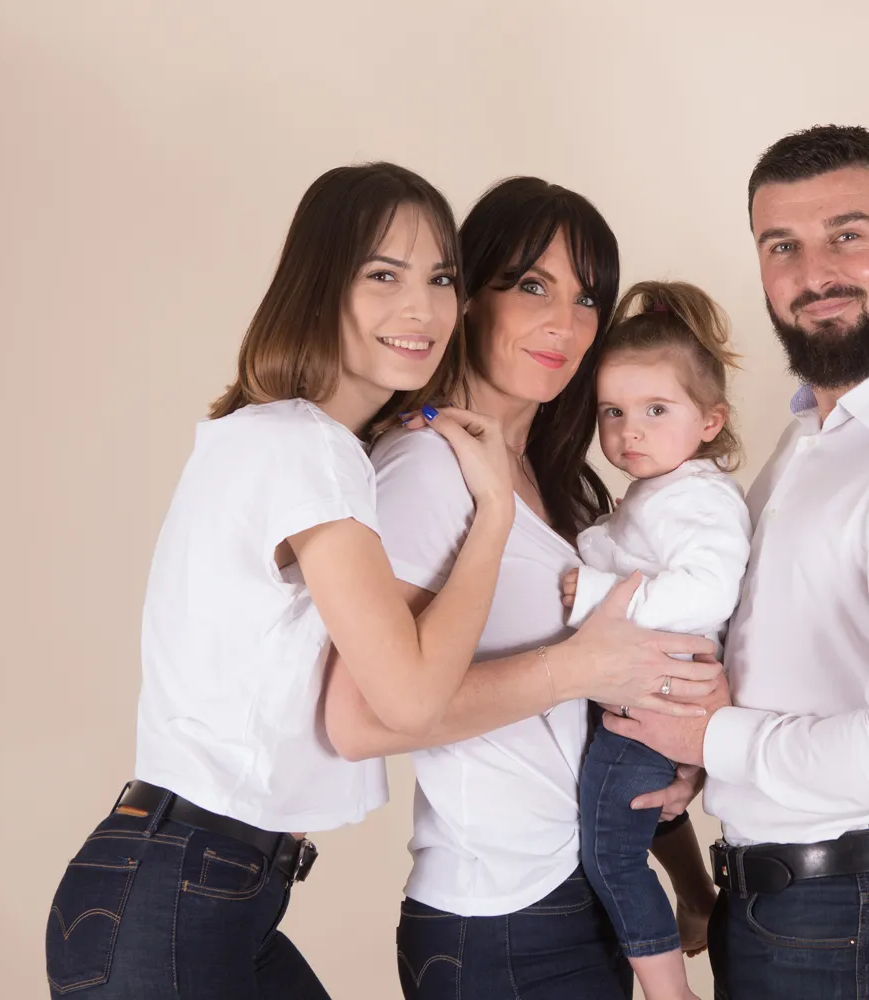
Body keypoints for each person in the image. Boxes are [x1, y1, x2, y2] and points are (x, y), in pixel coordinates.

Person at [44, 162, 516, 999]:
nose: (424, 308)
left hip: (198, 889)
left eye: (441, 278)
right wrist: (495, 519)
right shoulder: (306, 449)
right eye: (383, 274)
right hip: (174, 895)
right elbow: (407, 699)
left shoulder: (282, 440)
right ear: (318, 286)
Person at [607, 125, 869, 999]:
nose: (814, 273)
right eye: (782, 246)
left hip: (862, 912)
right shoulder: (816, 437)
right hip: (793, 906)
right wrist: (700, 757)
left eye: (847, 234)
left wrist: (715, 738)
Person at [321, 179, 722, 1000]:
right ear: (468, 296)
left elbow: (593, 703)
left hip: (575, 894)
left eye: (587, 300)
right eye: (531, 285)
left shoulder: (571, 488)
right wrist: (584, 670)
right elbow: (358, 719)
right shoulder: (424, 472)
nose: (565, 325)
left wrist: (676, 776)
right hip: (496, 917)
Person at [560, 281, 751, 1000]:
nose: (627, 431)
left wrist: (596, 597)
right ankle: (694, 902)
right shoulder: (660, 491)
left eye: (654, 411)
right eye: (612, 412)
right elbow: (621, 546)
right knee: (623, 836)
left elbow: (706, 591)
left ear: (710, 421)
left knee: (610, 853)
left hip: (658, 700)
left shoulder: (698, 498)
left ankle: (673, 992)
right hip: (645, 691)